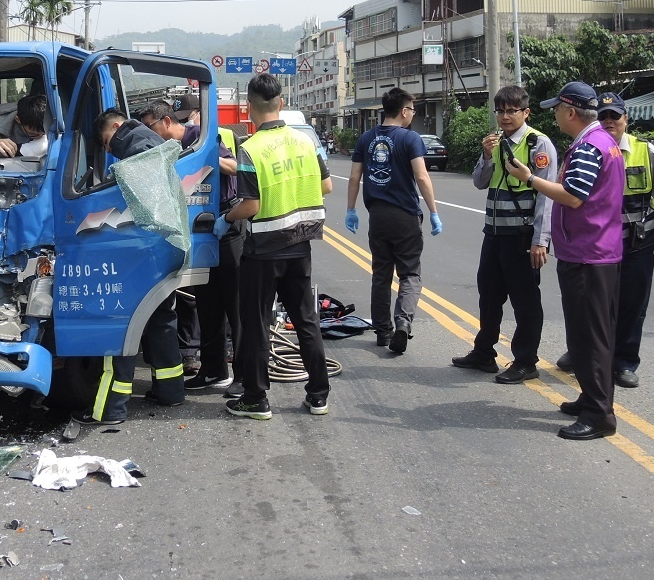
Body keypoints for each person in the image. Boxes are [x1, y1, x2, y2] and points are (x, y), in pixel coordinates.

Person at [505, 81, 625, 441]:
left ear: (570, 112)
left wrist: (530, 178)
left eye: (558, 108)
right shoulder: (603, 141)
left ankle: (599, 413)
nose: (555, 114)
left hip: (589, 254)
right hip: (596, 250)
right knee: (589, 333)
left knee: (589, 337)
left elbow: (573, 197)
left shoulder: (590, 146)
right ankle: (591, 398)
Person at [224, 73, 333, 420]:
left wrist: (226, 217)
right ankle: (318, 395)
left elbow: (251, 206)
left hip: (263, 250)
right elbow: (326, 185)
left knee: (256, 323)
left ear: (249, 107)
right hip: (300, 245)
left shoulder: (250, 149)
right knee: (306, 320)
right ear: (281, 103)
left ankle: (256, 399)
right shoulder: (306, 142)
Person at [558, 93, 654, 388]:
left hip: (636, 244)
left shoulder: (644, 151)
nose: (610, 121)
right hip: (599, 246)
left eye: (615, 115)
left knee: (632, 304)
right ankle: (585, 356)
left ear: (626, 119)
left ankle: (625, 361)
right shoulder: (587, 148)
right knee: (594, 306)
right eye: (603, 116)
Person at [74, 108, 185, 426]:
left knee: (119, 323)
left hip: (139, 251)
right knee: (160, 320)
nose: (108, 149)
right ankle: (171, 390)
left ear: (118, 127)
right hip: (162, 249)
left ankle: (110, 409)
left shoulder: (136, 146)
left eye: (107, 140)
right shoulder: (149, 142)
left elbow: (133, 201)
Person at [139, 98, 244, 396]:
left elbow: (236, 168)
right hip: (199, 230)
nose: (149, 133)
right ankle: (213, 371)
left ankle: (244, 376)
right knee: (207, 304)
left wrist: (208, 159)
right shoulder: (164, 150)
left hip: (227, 223)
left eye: (151, 127)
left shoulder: (202, 138)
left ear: (168, 122)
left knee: (235, 308)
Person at [452, 85, 557, 383]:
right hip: (495, 233)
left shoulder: (539, 144)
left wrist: (541, 240)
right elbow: (479, 182)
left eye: (512, 111)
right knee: (489, 294)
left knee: (525, 300)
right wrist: (486, 156)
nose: (506, 116)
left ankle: (526, 360)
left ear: (526, 112)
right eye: (501, 111)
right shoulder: (495, 143)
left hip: (522, 236)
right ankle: (484, 352)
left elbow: (546, 197)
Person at [345, 87, 442, 355]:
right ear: (403, 111)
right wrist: (433, 212)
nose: (412, 114)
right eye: (412, 109)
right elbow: (422, 177)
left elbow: (355, 178)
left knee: (381, 274)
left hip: (377, 216)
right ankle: (403, 321)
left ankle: (382, 331)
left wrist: (351, 209)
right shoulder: (410, 138)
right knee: (410, 273)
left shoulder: (366, 138)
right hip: (405, 216)